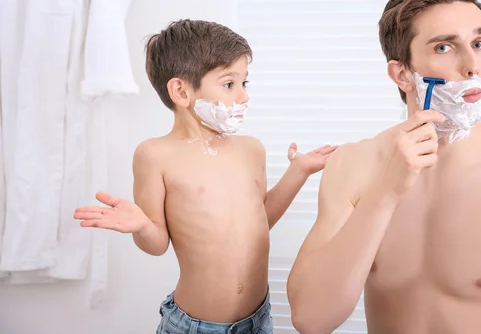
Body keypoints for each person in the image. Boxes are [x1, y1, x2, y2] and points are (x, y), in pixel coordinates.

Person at [287, 0, 481, 334]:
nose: (472, 66)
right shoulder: (353, 165)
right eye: (444, 47)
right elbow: (311, 319)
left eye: (480, 43)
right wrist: (386, 191)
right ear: (402, 75)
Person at [73, 19, 337, 334]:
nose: (243, 96)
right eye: (229, 84)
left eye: (244, 83)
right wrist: (142, 225)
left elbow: (258, 222)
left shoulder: (251, 150)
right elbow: (157, 245)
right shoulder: (155, 155)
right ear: (181, 91)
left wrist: (299, 171)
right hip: (196, 327)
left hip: (258, 319)